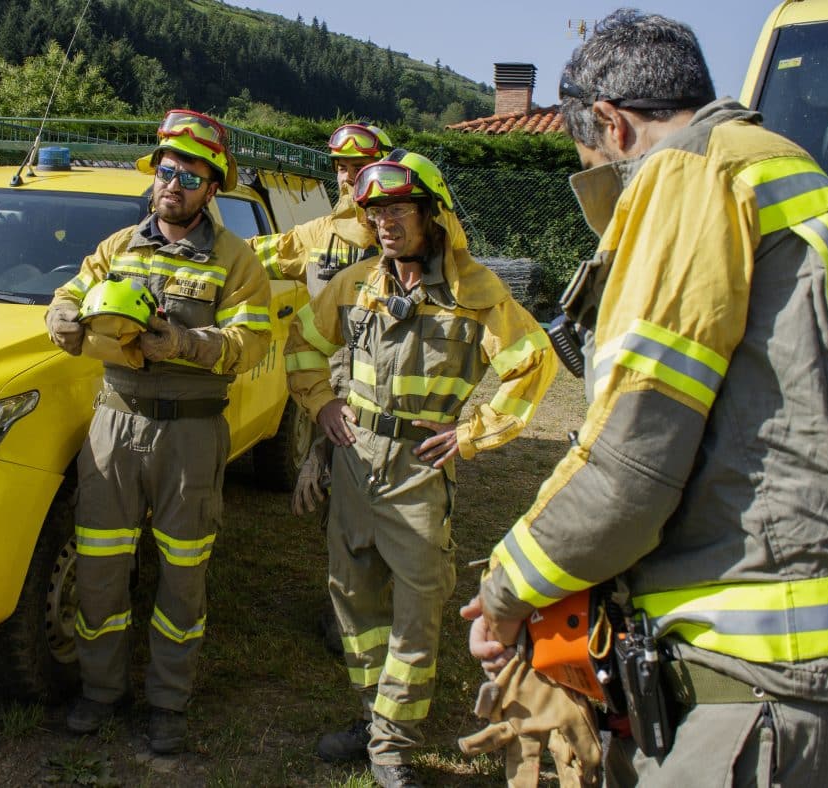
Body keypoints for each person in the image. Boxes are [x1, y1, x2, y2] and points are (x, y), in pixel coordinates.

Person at [462, 9, 828, 787]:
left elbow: (630, 469)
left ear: (612, 123)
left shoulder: (691, 176)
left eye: (595, 164)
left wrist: (505, 587)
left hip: (763, 699)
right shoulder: (801, 178)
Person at [286, 149, 557, 788]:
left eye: (400, 210)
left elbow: (533, 362)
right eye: (376, 213)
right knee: (352, 598)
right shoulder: (357, 284)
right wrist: (323, 406)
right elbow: (302, 344)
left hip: (418, 473)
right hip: (355, 462)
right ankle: (371, 716)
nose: (385, 223)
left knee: (417, 609)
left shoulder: (476, 294)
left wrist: (472, 433)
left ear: (434, 216)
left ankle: (391, 745)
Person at [43, 108, 272, 755]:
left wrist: (186, 343)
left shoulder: (236, 260)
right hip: (115, 425)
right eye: (166, 172)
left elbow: (251, 342)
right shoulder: (118, 247)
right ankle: (101, 691)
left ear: (212, 188)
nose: (173, 185)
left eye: (189, 177)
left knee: (183, 573)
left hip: (190, 436)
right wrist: (59, 316)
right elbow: (70, 292)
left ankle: (168, 702)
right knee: (99, 567)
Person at [249, 122, 394, 653]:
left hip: (396, 399)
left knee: (394, 511)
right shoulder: (318, 237)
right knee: (340, 511)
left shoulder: (412, 229)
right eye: (341, 168)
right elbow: (252, 254)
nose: (349, 177)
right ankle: (347, 615)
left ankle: (386, 613)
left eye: (361, 167)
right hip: (333, 398)